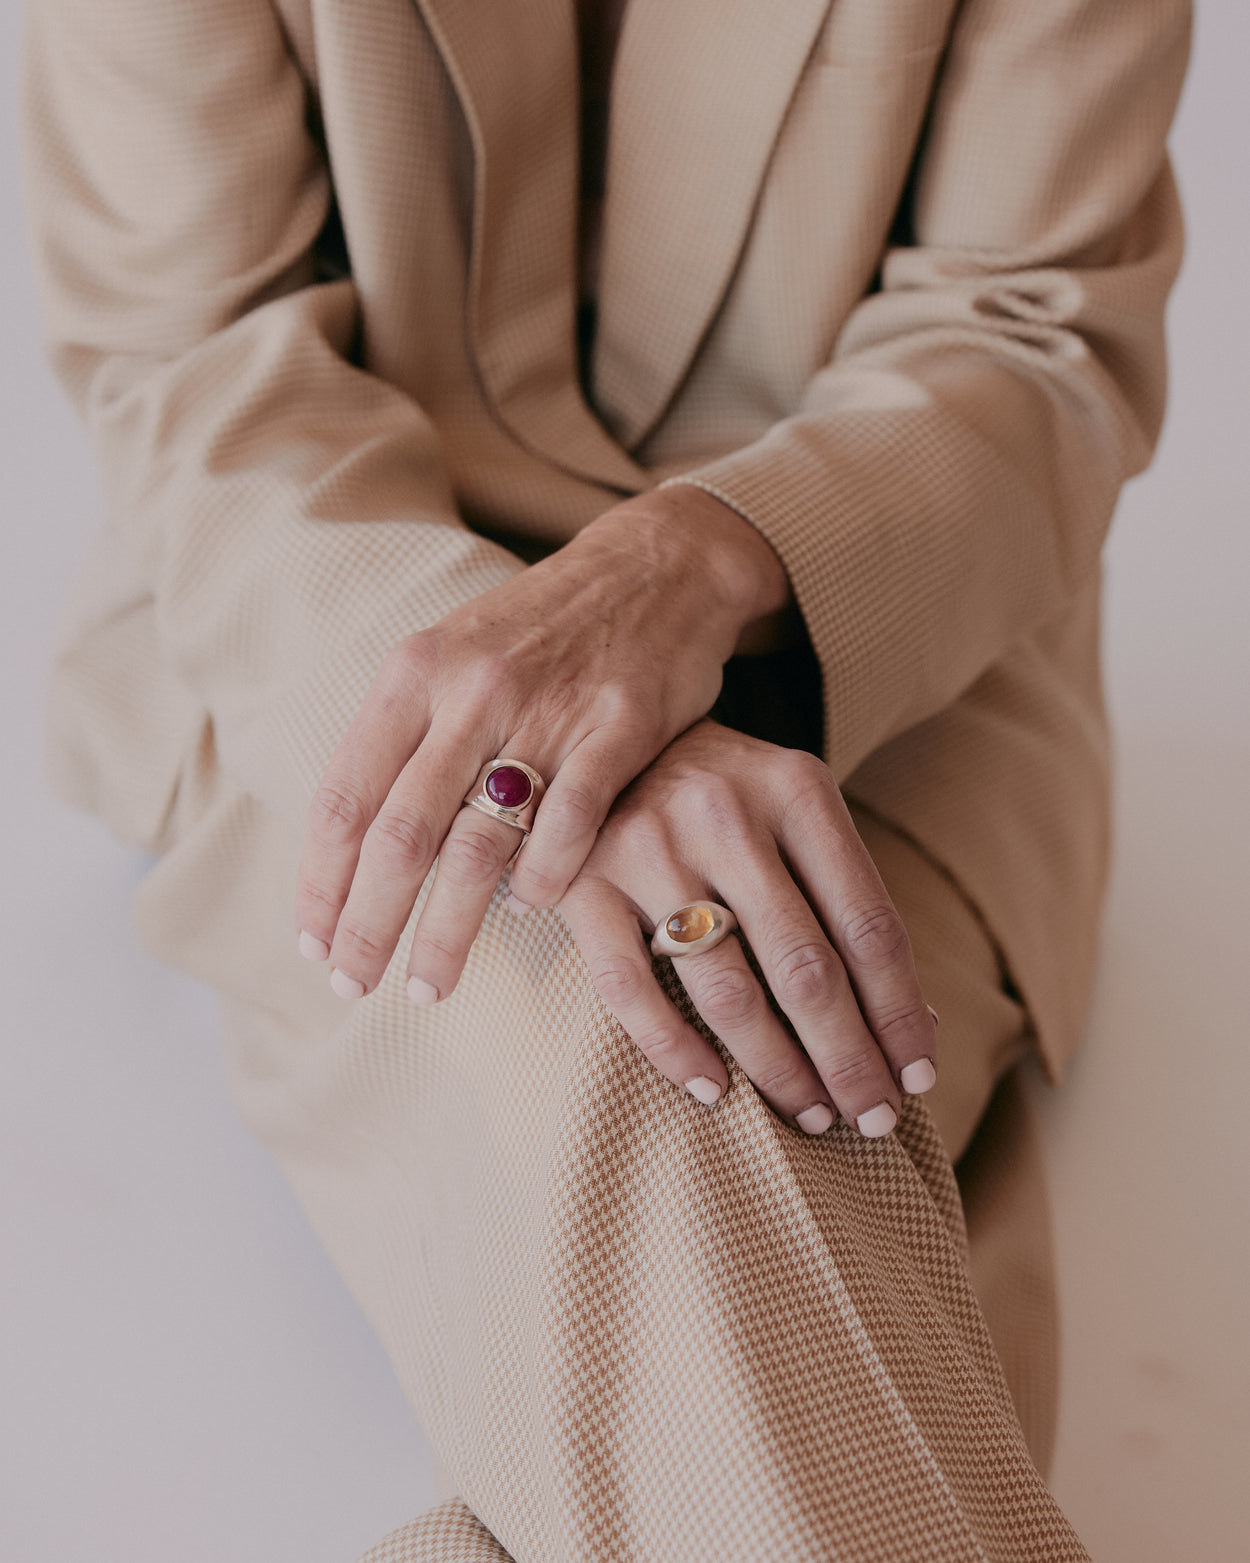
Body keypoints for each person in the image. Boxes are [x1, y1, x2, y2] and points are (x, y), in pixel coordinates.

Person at [20, 0, 1189, 1557]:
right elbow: (204, 365)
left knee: (746, 1047)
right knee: (690, 1042)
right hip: (318, 615)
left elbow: (1032, 327)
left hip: (880, 617)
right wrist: (531, 735)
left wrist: (685, 572)